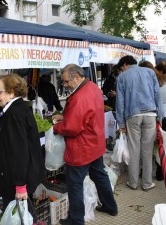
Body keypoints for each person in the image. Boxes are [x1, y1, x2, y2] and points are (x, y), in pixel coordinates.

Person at [52, 64, 118, 225]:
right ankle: (111, 206)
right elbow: (83, 115)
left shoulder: (80, 96)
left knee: (75, 184)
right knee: (99, 175)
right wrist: (65, 116)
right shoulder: (92, 87)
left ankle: (76, 220)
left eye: (66, 81)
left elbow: (72, 128)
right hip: (94, 143)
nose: (65, 85)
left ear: (76, 77)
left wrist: (56, 127)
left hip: (82, 147)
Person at [0, 74, 45, 210]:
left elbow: (19, 152)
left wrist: (20, 185)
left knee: (18, 215)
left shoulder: (14, 114)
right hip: (14, 180)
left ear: (11, 93)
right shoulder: (18, 109)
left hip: (13, 182)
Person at [116, 56, 162, 191]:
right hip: (150, 114)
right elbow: (157, 95)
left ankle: (133, 182)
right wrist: (160, 116)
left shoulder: (122, 77)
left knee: (134, 149)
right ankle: (147, 183)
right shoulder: (150, 72)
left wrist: (121, 124)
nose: (121, 70)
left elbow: (120, 102)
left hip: (133, 116)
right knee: (147, 150)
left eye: (121, 68)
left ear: (125, 64)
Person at [140, 61, 166, 179]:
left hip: (155, 115)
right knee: (164, 144)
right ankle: (161, 172)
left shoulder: (148, 82)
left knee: (150, 144)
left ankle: (146, 171)